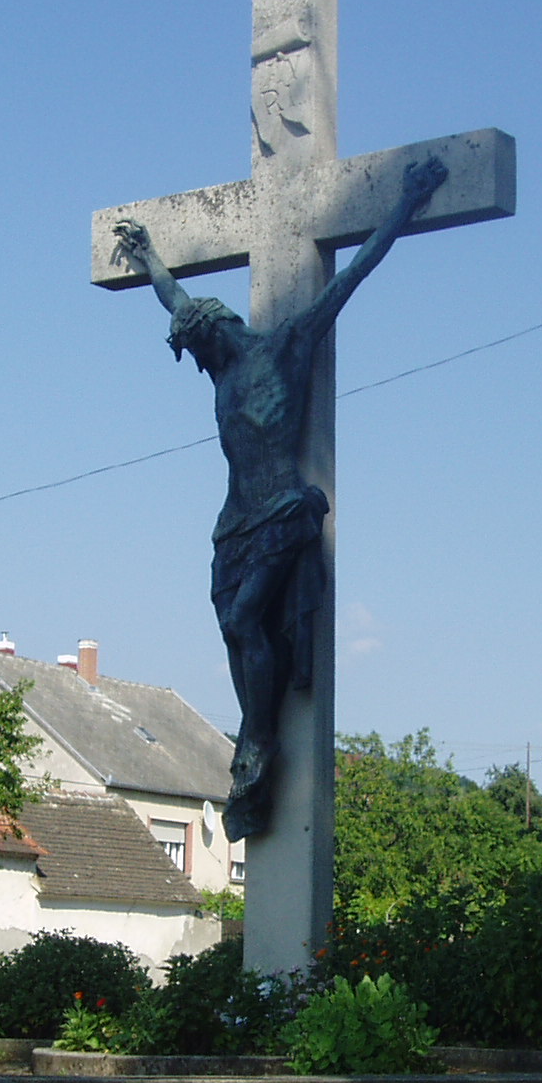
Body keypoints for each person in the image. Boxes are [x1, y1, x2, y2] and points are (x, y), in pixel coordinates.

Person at [112, 156, 448, 836]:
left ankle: (260, 740)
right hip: (235, 521)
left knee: (244, 621)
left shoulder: (286, 346)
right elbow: (174, 298)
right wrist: (147, 257)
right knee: (233, 631)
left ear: (215, 332)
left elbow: (352, 276)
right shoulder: (220, 369)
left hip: (283, 510)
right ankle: (253, 732)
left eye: (197, 349)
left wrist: (406, 204)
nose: (198, 362)